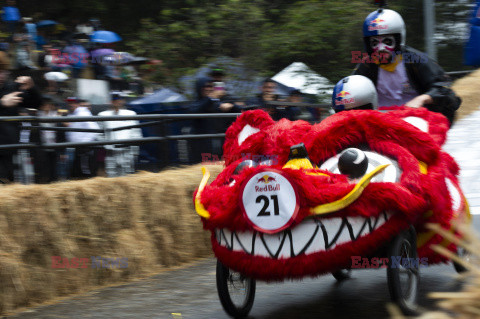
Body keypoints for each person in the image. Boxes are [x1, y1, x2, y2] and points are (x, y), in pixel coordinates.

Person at [353, 8, 461, 125]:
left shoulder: (416, 60)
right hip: (381, 123)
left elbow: (443, 88)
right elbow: (352, 92)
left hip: (417, 121)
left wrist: (422, 99)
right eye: (374, 43)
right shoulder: (367, 65)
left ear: (399, 40)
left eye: (388, 42)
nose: (381, 48)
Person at [0, 51, 41, 182]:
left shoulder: (11, 87)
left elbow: (36, 104)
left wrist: (32, 88)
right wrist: (1, 103)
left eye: (3, 71)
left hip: (8, 147)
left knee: (7, 184)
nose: (1, 75)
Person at [98, 94, 142, 177]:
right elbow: (99, 133)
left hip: (127, 150)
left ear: (123, 101)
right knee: (112, 176)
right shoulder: (102, 115)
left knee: (128, 175)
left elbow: (136, 132)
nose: (117, 101)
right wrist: (106, 145)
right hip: (111, 151)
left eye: (119, 99)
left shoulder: (131, 114)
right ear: (110, 102)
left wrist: (135, 152)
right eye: (114, 99)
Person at [65, 97, 100, 178]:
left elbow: (94, 129)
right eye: (69, 103)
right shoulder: (72, 114)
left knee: (86, 171)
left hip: (85, 147)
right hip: (78, 147)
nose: (71, 104)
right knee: (79, 171)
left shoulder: (83, 113)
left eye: (73, 103)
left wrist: (84, 143)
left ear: (77, 104)